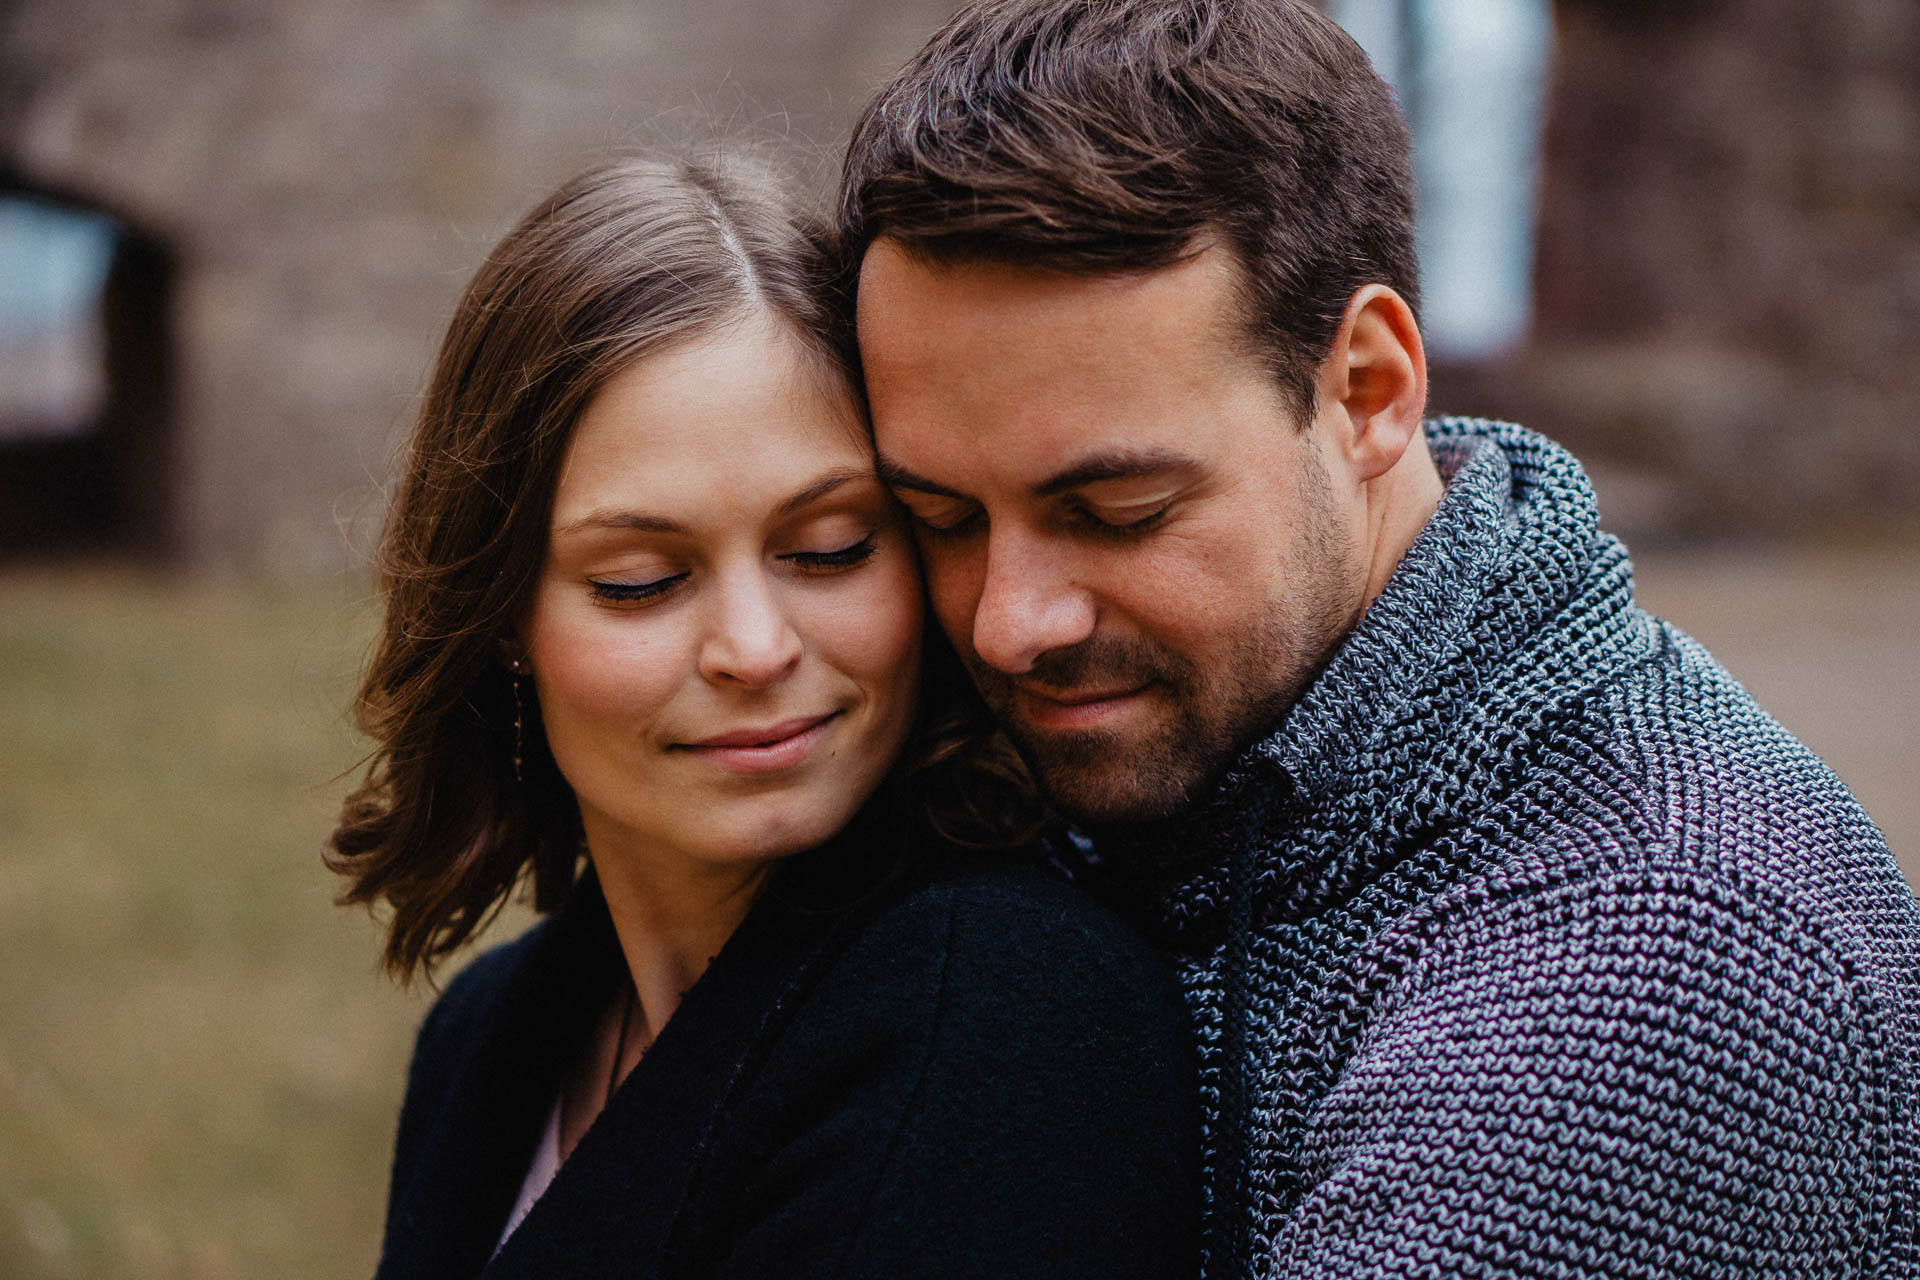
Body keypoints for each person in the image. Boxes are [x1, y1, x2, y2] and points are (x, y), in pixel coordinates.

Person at [836, 1, 1920, 1277]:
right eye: (941, 518)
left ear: (1368, 390)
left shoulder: (1657, 957)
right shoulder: (1002, 765)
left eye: (1116, 511)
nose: (1010, 622)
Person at [325, 154, 1201, 1280]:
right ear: (499, 613)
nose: (755, 647)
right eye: (640, 577)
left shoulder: (996, 1010)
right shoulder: (489, 1033)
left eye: (830, 548)